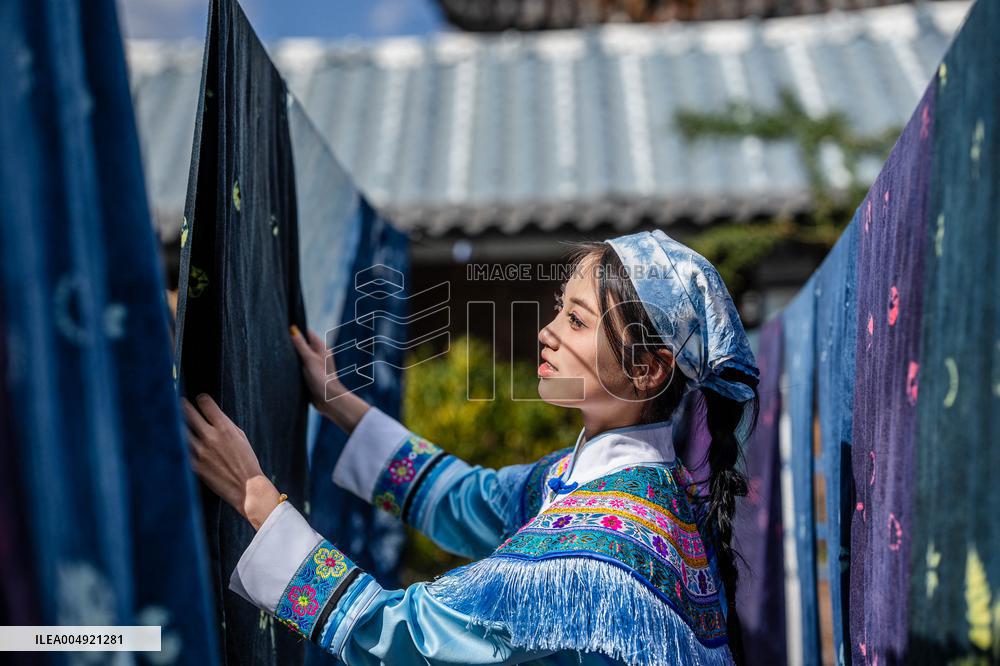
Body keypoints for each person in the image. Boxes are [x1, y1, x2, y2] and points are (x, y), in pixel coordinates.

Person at [182, 230, 760, 665]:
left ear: (647, 371)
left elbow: (402, 635)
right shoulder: (623, 486)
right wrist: (339, 402)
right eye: (561, 307)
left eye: (577, 320)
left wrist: (255, 496)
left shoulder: (598, 545)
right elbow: (469, 498)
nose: (547, 330)